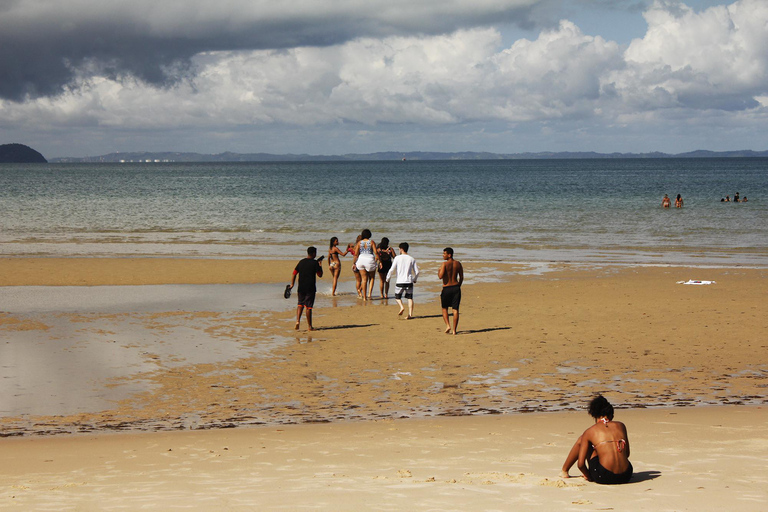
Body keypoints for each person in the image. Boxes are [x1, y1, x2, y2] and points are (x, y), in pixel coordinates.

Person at [561, 395, 633, 484]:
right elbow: (627, 454)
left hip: (603, 476)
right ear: (611, 415)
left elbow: (580, 464)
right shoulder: (621, 425)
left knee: (582, 439)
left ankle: (564, 470)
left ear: (594, 415)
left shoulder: (590, 431)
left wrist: (588, 475)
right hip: (626, 475)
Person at [288, 246, 323, 331]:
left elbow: (294, 273)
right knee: (308, 307)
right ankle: (310, 326)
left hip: (301, 287)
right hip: (310, 288)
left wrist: (292, 284)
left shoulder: (301, 262)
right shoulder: (315, 263)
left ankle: (297, 321)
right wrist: (320, 265)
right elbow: (320, 274)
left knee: (300, 304)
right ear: (314, 253)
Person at [386, 242, 420, 319]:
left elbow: (391, 270)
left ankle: (401, 307)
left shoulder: (397, 258)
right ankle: (410, 315)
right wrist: (415, 279)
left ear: (401, 249)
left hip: (400, 281)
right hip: (409, 281)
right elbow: (417, 271)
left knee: (397, 297)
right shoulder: (411, 258)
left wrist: (388, 278)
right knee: (410, 298)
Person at [438, 247, 463, 335]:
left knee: (444, 308)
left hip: (447, 288)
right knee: (455, 309)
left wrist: (439, 271)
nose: (443, 255)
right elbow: (461, 277)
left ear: (449, 255)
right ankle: (454, 330)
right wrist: (458, 285)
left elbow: (440, 276)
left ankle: (448, 325)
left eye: (444, 254)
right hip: (456, 287)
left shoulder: (444, 264)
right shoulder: (458, 263)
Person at [353, 229, 378, 301]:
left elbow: (356, 254)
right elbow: (375, 252)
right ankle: (369, 294)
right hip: (369, 259)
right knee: (372, 277)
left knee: (364, 280)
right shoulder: (372, 242)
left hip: (361, 260)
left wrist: (354, 263)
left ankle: (364, 297)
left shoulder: (359, 243)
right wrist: (380, 260)